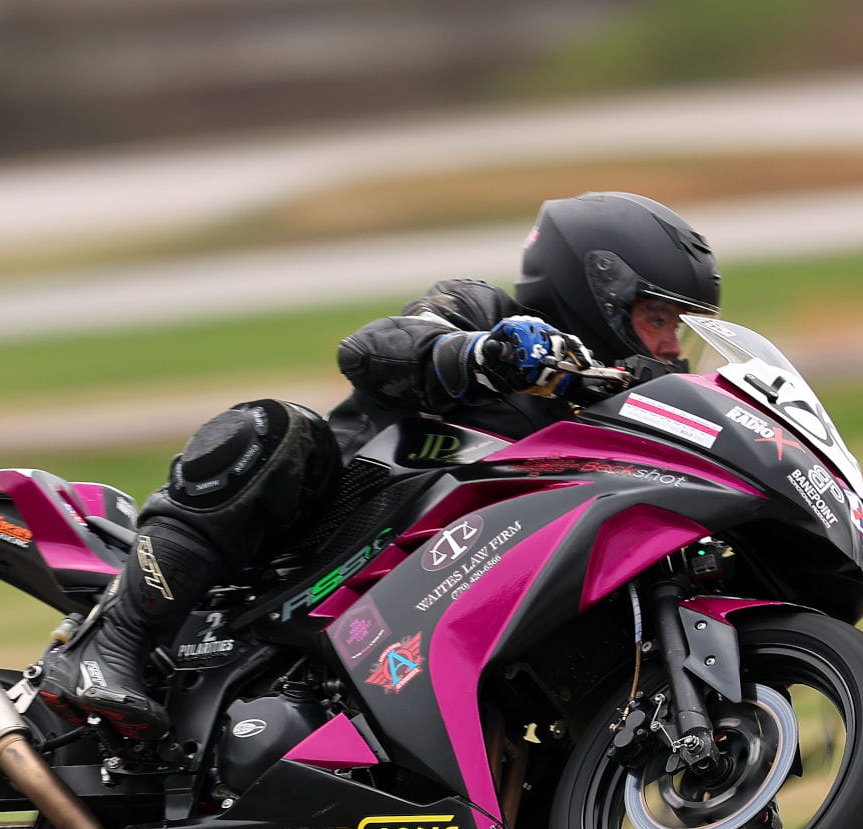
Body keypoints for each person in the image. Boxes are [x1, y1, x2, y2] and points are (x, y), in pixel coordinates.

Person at [40, 192, 722, 739]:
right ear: (595, 291)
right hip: (317, 548)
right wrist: (479, 355)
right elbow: (371, 350)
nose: (668, 346)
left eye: (677, 329)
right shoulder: (483, 311)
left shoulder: (619, 419)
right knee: (278, 428)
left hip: (453, 603)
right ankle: (110, 643)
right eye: (656, 319)